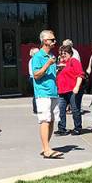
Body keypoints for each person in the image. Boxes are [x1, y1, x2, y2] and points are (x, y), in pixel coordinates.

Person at [31, 29, 62, 158]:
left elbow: (49, 73)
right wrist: (48, 64)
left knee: (52, 120)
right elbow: (36, 75)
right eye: (52, 39)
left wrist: (58, 69)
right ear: (45, 41)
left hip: (53, 92)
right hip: (43, 93)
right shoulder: (38, 57)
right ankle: (47, 149)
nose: (55, 41)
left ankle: (46, 147)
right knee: (44, 120)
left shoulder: (51, 56)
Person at [55, 45, 84, 135]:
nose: (63, 55)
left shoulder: (73, 61)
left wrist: (77, 87)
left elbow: (80, 75)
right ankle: (61, 128)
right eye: (61, 53)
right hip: (62, 90)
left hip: (72, 89)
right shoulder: (60, 64)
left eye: (65, 53)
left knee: (75, 109)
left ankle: (77, 128)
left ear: (70, 53)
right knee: (61, 109)